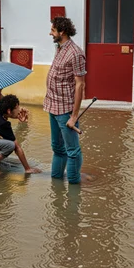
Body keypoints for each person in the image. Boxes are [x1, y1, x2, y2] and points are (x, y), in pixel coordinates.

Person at [43, 17, 86, 184]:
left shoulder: (76, 53)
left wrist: (74, 116)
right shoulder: (59, 47)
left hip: (65, 111)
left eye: (53, 30)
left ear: (62, 32)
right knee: (57, 149)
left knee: (72, 151)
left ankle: (74, 187)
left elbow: (80, 84)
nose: (50, 33)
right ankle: (56, 186)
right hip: (52, 106)